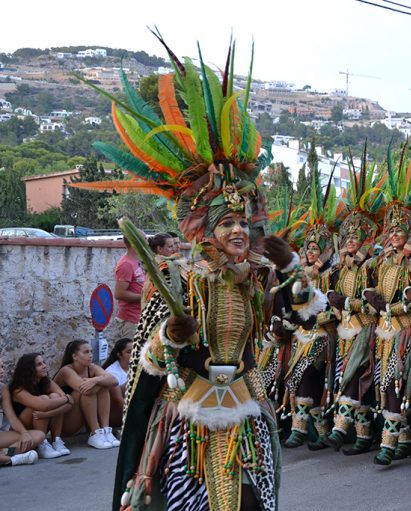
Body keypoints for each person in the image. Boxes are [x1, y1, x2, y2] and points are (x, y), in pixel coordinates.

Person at [72, 38, 314, 511]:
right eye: (228, 223)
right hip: (188, 411)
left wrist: (291, 266)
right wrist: (173, 335)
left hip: (245, 402)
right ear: (204, 230)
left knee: (248, 500)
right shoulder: (177, 275)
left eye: (244, 222)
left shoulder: (259, 274)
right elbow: (150, 359)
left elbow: (304, 317)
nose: (240, 231)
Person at [366, 150, 411, 466]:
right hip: (384, 331)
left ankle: (389, 444)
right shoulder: (382, 261)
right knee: (385, 381)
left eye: (398, 231)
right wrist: (372, 296)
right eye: (389, 231)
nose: (392, 236)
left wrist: (406, 300)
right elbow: (377, 287)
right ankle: (401, 440)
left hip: (405, 330)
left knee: (396, 382)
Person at [322, 157, 384, 455]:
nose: (350, 241)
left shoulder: (372, 265)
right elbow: (332, 300)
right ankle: (361, 437)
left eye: (355, 237)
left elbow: (377, 305)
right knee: (355, 383)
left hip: (367, 330)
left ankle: (339, 428)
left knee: (354, 378)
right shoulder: (338, 268)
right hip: (345, 331)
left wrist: (348, 302)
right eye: (346, 237)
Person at [280, 174, 338, 449]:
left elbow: (341, 307)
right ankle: (320, 431)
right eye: (308, 248)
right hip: (302, 335)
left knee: (304, 371)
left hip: (326, 335)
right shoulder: (299, 276)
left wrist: (318, 318)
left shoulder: (333, 274)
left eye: (317, 248)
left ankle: (302, 429)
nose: (312, 252)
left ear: (326, 250)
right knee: (295, 376)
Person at [53, 340, 120, 449]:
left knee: (103, 388)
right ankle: (95, 433)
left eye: (91, 352)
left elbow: (114, 380)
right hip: (67, 424)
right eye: (86, 352)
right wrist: (101, 381)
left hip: (84, 419)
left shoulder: (91, 367)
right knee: (86, 392)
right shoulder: (66, 370)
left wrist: (96, 380)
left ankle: (106, 430)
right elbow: (85, 390)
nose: (90, 355)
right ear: (75, 356)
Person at [9, 353, 73, 459]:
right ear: (29, 369)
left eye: (44, 362)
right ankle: (42, 444)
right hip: (24, 427)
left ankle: (56, 440)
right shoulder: (18, 389)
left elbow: (70, 404)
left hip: (41, 418)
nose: (44, 366)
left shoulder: (46, 382)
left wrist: (47, 414)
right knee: (45, 399)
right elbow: (42, 405)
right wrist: (66, 398)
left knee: (55, 396)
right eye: (39, 364)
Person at [0, 363, 45, 467]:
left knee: (38, 435)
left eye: (2, 366)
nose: (1, 370)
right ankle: (11, 460)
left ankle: (4, 454)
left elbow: (11, 417)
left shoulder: (2, 388)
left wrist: (24, 433)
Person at [114, 235, 145, 341]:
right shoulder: (126, 264)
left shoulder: (136, 261)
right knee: (131, 355)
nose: (147, 242)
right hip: (130, 320)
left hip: (139, 317)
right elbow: (119, 293)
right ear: (134, 242)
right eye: (143, 239)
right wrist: (146, 297)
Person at [102, 338, 133, 428]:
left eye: (136, 350)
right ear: (119, 354)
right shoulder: (111, 371)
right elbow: (118, 401)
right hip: (117, 413)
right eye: (129, 351)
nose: (134, 354)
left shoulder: (136, 367)